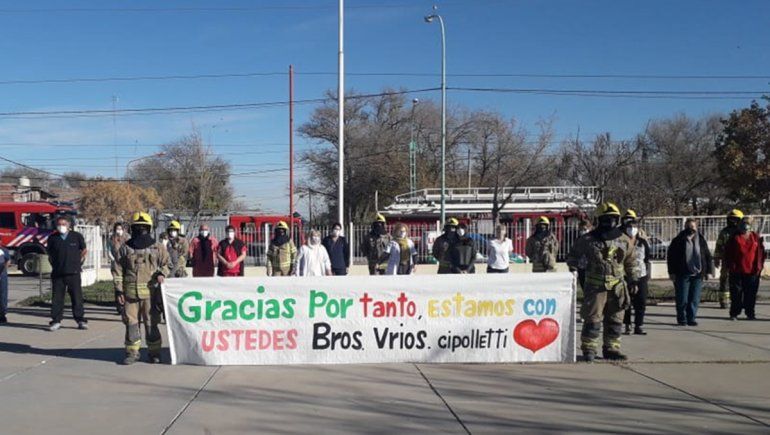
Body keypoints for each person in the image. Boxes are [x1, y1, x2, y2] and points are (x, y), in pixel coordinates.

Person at [567, 202, 640, 362]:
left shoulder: (624, 240)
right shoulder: (587, 239)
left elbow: (631, 261)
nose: (610, 222)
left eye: (613, 218)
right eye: (606, 219)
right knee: (592, 319)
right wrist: (575, 268)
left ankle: (612, 348)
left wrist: (634, 279)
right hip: (595, 286)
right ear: (599, 219)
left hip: (618, 286)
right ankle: (589, 349)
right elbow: (572, 256)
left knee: (615, 319)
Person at [113, 212, 169, 365]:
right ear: (133, 229)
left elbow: (167, 264)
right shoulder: (125, 248)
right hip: (130, 295)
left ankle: (154, 353)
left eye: (144, 228)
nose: (141, 231)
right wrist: (119, 290)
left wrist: (161, 273)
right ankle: (132, 352)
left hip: (151, 295)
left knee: (151, 324)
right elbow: (117, 270)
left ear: (149, 229)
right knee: (131, 324)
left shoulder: (158, 248)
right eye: (138, 228)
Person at [667, 219, 714, 327]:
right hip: (682, 273)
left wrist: (708, 271)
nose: (691, 229)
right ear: (684, 227)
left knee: (694, 298)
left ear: (696, 228)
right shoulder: (678, 240)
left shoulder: (701, 240)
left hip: (698, 274)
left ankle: (691, 318)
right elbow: (671, 257)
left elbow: (707, 256)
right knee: (682, 298)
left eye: (693, 227)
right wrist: (671, 272)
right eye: (688, 226)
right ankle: (682, 319)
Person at [47, 216, 88, 332]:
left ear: (69, 225)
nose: (61, 226)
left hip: (73, 273)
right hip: (58, 274)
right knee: (57, 298)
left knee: (76, 297)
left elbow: (84, 250)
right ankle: (56, 320)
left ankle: (80, 320)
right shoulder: (52, 238)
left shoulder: (76, 236)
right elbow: (49, 254)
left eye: (64, 224)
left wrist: (78, 261)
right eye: (59, 224)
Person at [724, 217, 766, 321]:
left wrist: (760, 266)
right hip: (737, 270)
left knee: (751, 294)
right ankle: (734, 313)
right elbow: (727, 252)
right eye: (743, 223)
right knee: (736, 293)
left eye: (748, 223)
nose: (745, 225)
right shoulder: (734, 237)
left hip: (752, 271)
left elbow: (761, 252)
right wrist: (729, 265)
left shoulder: (755, 237)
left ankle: (750, 313)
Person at [620, 210, 651, 335]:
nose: (631, 229)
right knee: (627, 301)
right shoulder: (621, 240)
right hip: (625, 275)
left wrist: (647, 274)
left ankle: (639, 325)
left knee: (641, 301)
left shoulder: (642, 242)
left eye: (634, 227)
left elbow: (647, 258)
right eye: (629, 227)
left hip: (641, 274)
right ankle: (627, 324)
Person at [714, 209, 743, 309]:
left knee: (739, 281)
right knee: (724, 279)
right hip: (726, 260)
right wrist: (717, 258)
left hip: (740, 261)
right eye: (731, 219)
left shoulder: (743, 231)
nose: (732, 221)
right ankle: (724, 301)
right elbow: (719, 245)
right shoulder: (724, 232)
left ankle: (738, 300)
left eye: (735, 219)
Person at [0, 242, 8, 324]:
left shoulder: (4, 250)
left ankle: (2, 315)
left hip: (2, 276)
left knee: (2, 296)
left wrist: (2, 271)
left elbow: (7, 261)